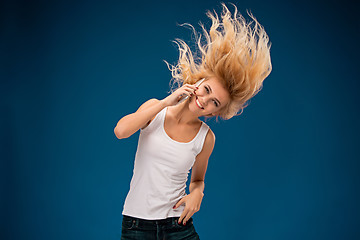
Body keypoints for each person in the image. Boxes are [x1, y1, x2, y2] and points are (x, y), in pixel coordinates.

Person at [114, 2, 272, 239]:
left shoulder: (205, 137)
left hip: (177, 225)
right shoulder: (154, 109)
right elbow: (121, 131)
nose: (205, 100)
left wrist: (197, 194)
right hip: (137, 226)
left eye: (215, 102)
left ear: (215, 112)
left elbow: (198, 179)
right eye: (206, 89)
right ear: (197, 82)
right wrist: (166, 102)